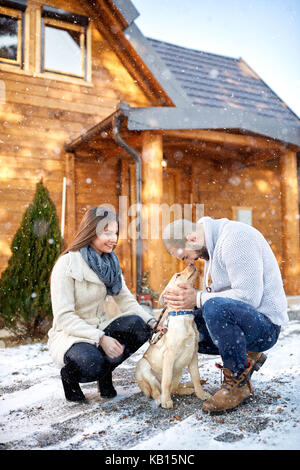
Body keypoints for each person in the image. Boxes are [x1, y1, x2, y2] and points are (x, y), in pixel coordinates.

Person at [161, 216, 289, 413]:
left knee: (214, 307)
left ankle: (238, 382)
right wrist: (174, 314)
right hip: (246, 321)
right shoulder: (211, 246)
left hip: (266, 326)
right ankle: (248, 355)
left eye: (184, 257)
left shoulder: (236, 238)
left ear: (191, 237)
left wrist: (197, 298)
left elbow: (248, 297)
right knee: (186, 329)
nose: (190, 262)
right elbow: (220, 294)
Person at [48, 206, 157, 402]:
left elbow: (126, 301)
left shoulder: (110, 265)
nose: (113, 239)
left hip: (99, 327)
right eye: (107, 232)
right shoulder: (67, 264)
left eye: (115, 233)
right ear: (91, 231)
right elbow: (64, 317)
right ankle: (70, 377)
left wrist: (152, 322)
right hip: (72, 335)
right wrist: (100, 338)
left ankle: (104, 374)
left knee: (139, 327)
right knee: (91, 364)